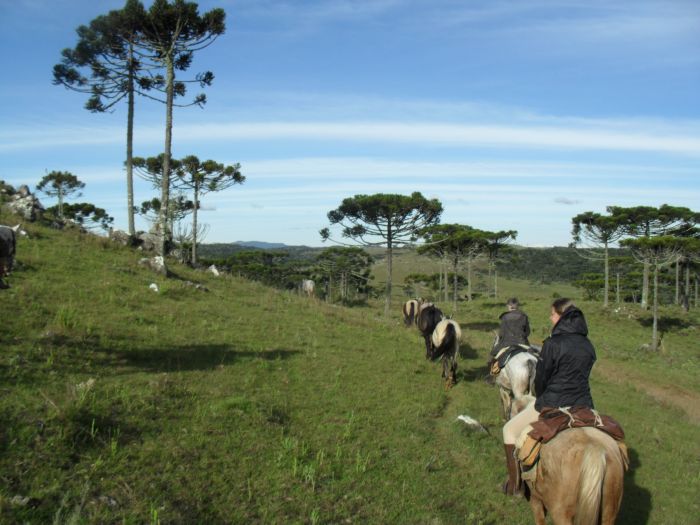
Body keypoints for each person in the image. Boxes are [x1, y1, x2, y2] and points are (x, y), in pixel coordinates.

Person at [500, 298, 596, 496]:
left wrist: (542, 397)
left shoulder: (553, 343)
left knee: (509, 430)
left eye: (552, 314)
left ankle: (516, 485)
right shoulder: (588, 345)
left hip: (553, 402)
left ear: (562, 317)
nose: (550, 318)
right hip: (583, 405)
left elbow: (541, 379)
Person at [487, 298, 530, 379]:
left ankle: (491, 376)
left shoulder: (505, 317)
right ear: (517, 306)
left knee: (492, 354)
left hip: (506, 343)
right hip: (522, 343)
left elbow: (501, 334)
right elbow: (527, 332)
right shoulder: (524, 316)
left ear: (509, 306)